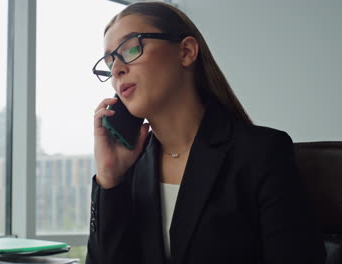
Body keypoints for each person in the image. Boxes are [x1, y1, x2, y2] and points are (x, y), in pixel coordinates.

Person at [87, 2, 326, 264]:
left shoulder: (262, 153)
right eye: (109, 62)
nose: (116, 70)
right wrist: (109, 179)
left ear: (187, 51)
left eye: (131, 48)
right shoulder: (130, 169)